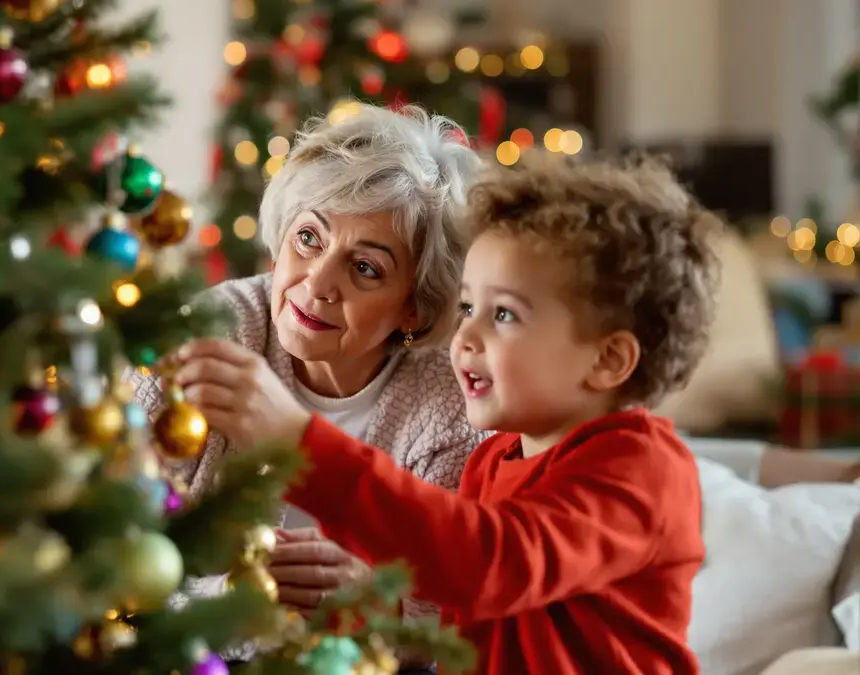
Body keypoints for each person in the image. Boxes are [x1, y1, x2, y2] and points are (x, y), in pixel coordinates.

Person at [170, 154, 724, 674]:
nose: (465, 337)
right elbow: (459, 636)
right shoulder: (491, 462)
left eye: (503, 313)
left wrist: (299, 441)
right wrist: (356, 607)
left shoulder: (641, 467)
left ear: (608, 359)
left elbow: (488, 563)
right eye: (467, 307)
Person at [133, 103, 484, 625]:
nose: (318, 284)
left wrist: (375, 605)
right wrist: (231, 600)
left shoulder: (452, 403)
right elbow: (115, 548)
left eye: (365, 268)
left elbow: (453, 605)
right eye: (308, 238)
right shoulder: (204, 337)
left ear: (416, 304)